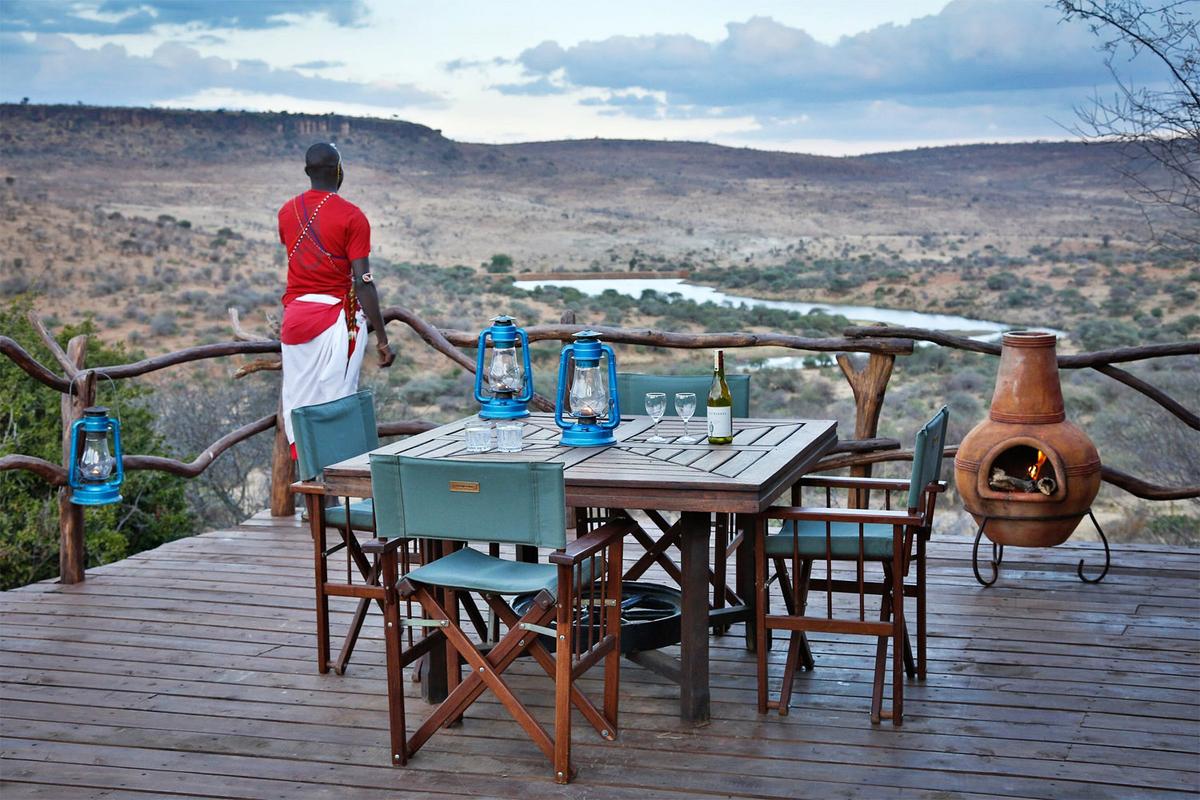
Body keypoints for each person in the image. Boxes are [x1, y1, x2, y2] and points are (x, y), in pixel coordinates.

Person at [278, 142, 394, 458]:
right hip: (335, 320)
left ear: (307, 172)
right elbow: (363, 283)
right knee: (337, 403)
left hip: (294, 321)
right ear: (340, 170)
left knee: (299, 403)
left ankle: (311, 496)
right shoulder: (352, 217)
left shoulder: (287, 211)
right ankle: (336, 488)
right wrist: (383, 340)